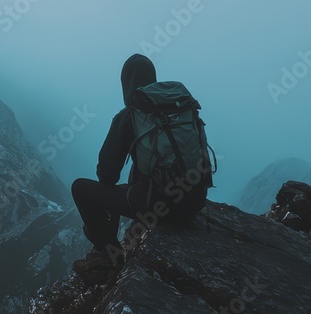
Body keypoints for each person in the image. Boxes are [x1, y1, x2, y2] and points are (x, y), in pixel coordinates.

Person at [71, 54, 211, 271]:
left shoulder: (130, 115)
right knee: (131, 182)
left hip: (160, 207)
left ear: (126, 84)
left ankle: (109, 255)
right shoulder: (178, 108)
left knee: (80, 188)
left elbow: (107, 175)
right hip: (195, 201)